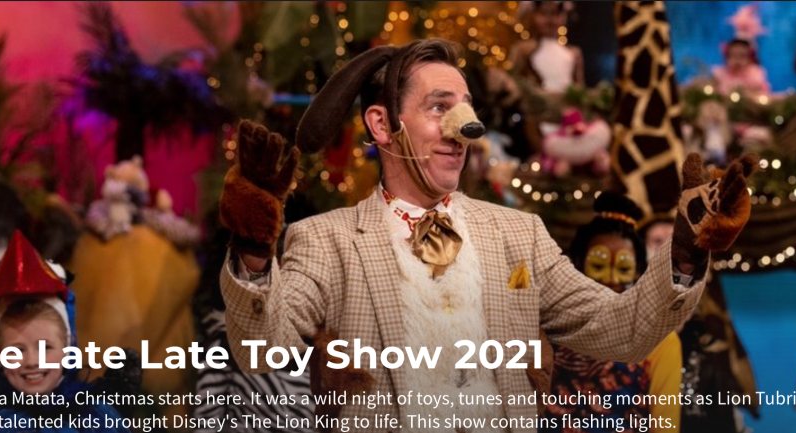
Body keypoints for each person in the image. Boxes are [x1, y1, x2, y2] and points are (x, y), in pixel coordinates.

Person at [218, 38, 757, 427]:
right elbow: (263, 352)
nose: (465, 127)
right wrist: (254, 250)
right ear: (382, 125)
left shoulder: (519, 235)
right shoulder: (327, 241)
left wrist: (685, 252)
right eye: (439, 108)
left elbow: (621, 331)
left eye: (467, 108)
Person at [0, 231, 134, 433]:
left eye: (45, 347)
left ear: (67, 348)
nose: (31, 361)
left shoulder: (96, 417)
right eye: (16, 351)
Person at [542, 193, 682, 432]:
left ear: (637, 271)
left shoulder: (659, 341)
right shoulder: (547, 331)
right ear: (577, 264)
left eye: (623, 268)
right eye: (598, 266)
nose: (611, 279)